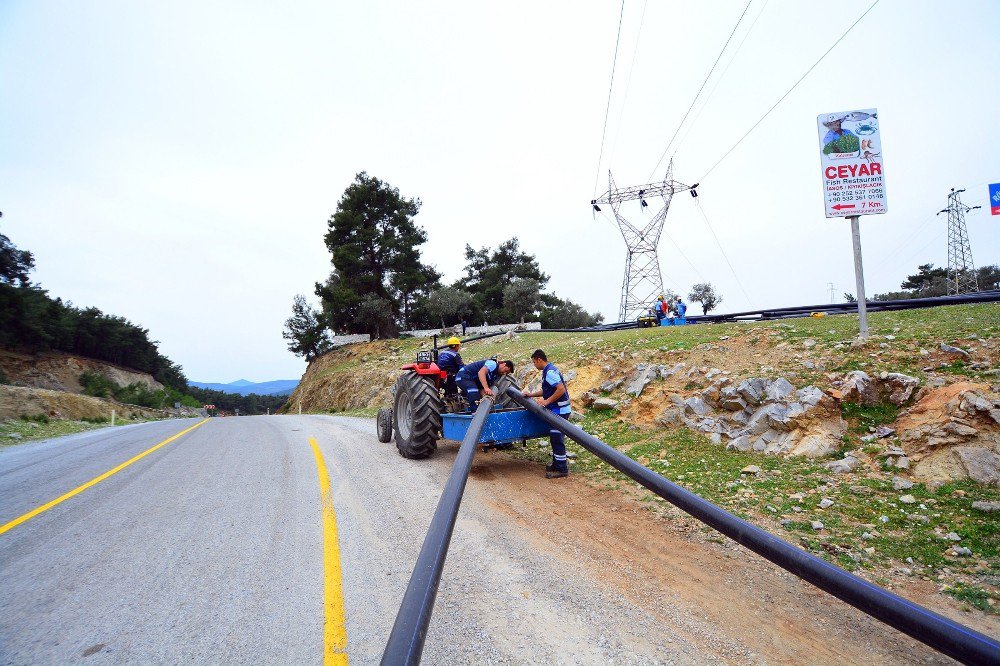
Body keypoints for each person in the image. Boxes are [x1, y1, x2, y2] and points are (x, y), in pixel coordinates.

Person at [523, 349, 572, 479]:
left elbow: (560, 389)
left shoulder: (549, 372)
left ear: (539, 359)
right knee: (554, 438)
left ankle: (562, 469)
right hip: (558, 410)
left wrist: (547, 402)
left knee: (557, 439)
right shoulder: (549, 370)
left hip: (560, 411)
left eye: (534, 362)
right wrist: (531, 394)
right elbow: (547, 391)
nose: (534, 365)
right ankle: (557, 464)